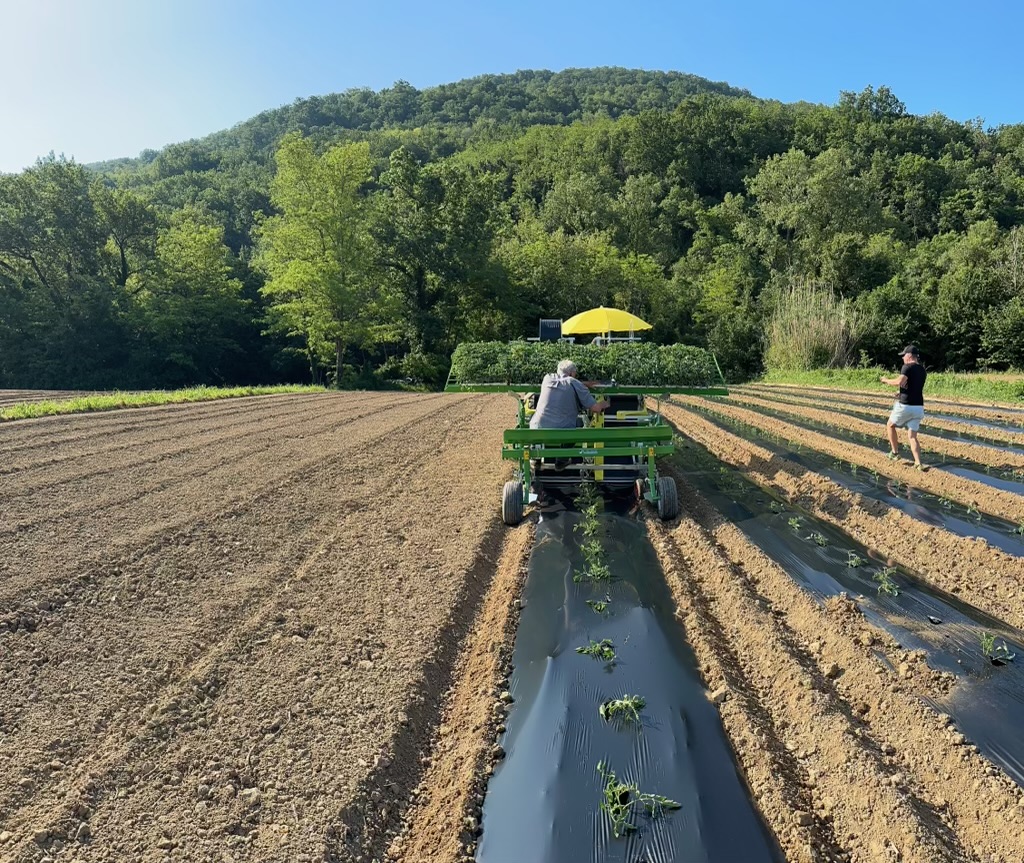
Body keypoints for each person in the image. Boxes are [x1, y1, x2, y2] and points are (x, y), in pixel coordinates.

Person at [880, 345, 927, 470]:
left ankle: (895, 453)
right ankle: (918, 463)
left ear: (909, 356)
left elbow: (899, 381)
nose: (902, 358)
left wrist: (885, 380)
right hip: (918, 407)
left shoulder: (907, 367)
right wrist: (901, 393)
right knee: (912, 436)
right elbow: (913, 387)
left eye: (904, 355)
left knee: (890, 425)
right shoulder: (922, 370)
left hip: (906, 406)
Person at [529, 359, 609, 429]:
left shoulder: (547, 378)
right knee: (580, 423)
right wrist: (605, 403)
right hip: (561, 429)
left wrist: (582, 383)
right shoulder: (575, 383)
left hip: (537, 426)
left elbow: (563, 381)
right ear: (571, 373)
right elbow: (595, 409)